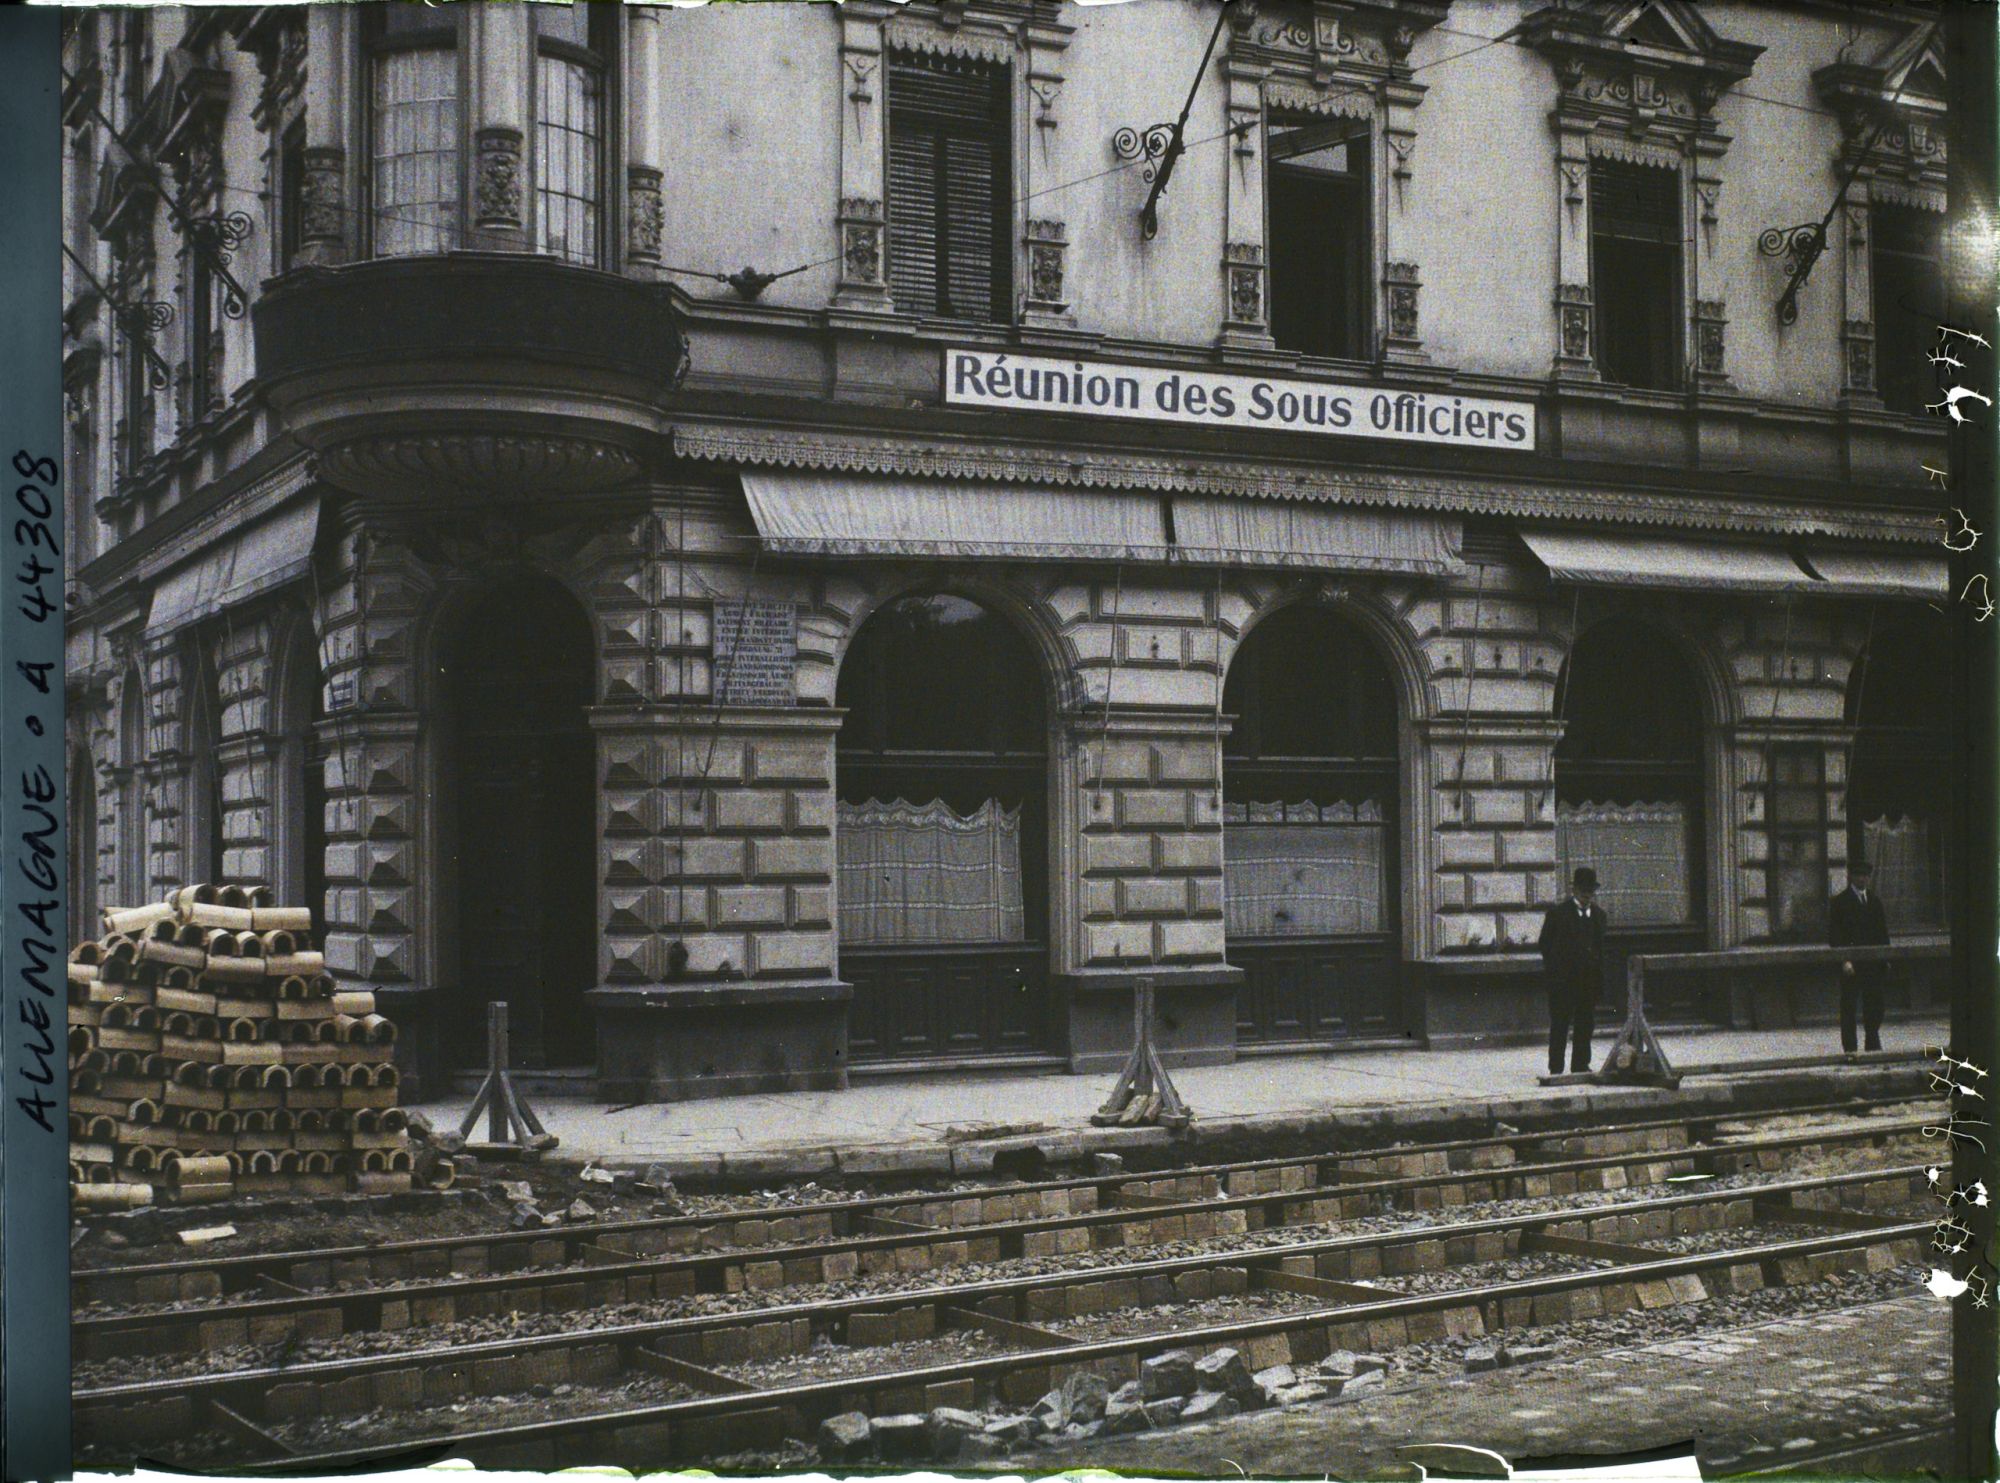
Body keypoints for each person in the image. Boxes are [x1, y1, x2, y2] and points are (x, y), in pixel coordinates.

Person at [1538, 866, 1606, 1076]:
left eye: (1590, 890)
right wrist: (1556, 972)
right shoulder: (1558, 914)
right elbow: (1544, 945)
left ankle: (1580, 1065)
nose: (1587, 895)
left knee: (1585, 1025)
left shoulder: (1599, 916)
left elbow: (1600, 947)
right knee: (1560, 1025)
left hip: (1588, 982)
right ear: (1574, 890)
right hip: (1563, 983)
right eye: (1583, 890)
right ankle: (1556, 1067)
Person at [1829, 860, 1890, 1053]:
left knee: (1875, 1005)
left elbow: (1882, 933)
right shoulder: (1840, 903)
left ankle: (1872, 1043)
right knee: (1849, 1007)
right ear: (1851, 877)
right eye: (1858, 875)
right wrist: (1844, 960)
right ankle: (1850, 1048)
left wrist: (1885, 957)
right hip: (1851, 965)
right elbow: (1835, 936)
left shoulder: (1874, 902)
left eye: (1865, 876)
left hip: (1872, 963)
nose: (1862, 879)